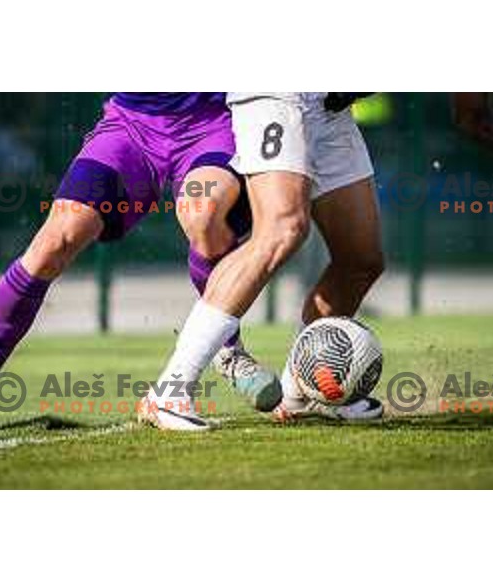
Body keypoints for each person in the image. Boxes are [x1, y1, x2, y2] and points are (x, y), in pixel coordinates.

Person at [0, 92, 280, 432]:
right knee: (53, 242)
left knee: (203, 213)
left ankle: (229, 352)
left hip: (211, 125)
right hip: (130, 126)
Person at [142, 92, 385, 430]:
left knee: (361, 260)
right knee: (282, 230)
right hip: (276, 93)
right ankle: (171, 390)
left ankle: (301, 393)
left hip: (331, 107)